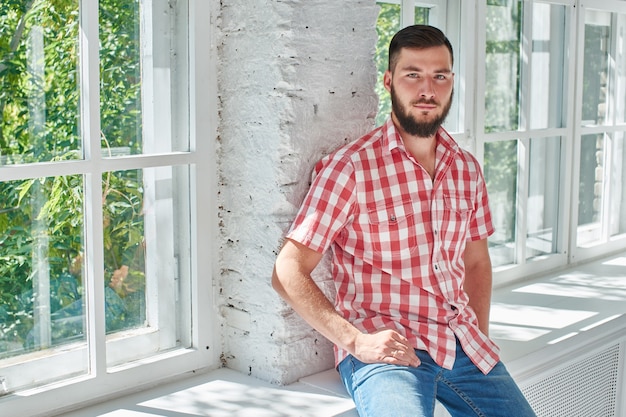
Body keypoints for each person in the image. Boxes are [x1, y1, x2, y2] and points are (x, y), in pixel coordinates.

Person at [272, 25, 536, 417]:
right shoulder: (351, 169)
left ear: (451, 82)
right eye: (412, 74)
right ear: (388, 82)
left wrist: (476, 331)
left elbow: (477, 262)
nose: (427, 89)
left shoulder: (466, 168)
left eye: (439, 76)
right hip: (388, 351)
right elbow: (287, 270)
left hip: (461, 342)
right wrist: (355, 342)